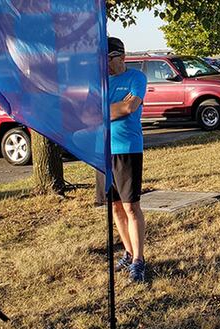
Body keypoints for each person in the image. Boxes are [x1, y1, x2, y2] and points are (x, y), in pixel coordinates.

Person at [95, 37, 148, 282]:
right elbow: (90, 113)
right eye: (102, 60)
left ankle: (139, 259)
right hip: (103, 151)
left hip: (127, 149)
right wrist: (112, 109)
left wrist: (103, 112)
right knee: (114, 207)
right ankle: (127, 252)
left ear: (122, 57)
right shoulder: (99, 83)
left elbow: (130, 108)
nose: (105, 65)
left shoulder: (136, 78)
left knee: (130, 205)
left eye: (109, 59)